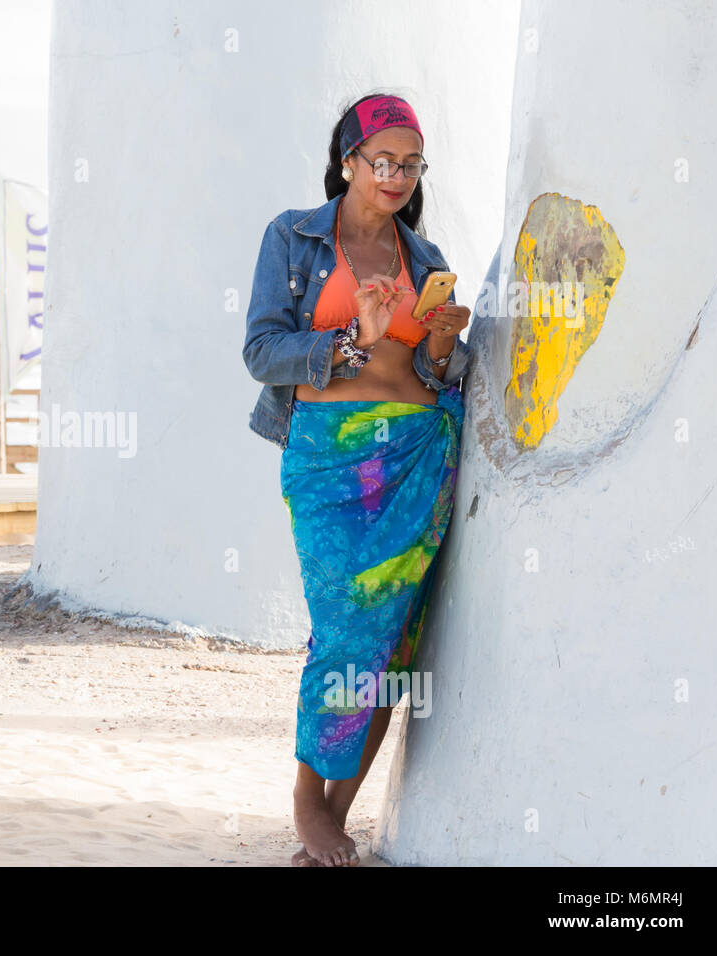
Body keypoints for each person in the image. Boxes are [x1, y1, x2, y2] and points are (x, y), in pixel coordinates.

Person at [242, 92, 473, 868]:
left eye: (411, 163)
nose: (399, 174)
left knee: (390, 642)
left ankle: (337, 818)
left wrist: (439, 347)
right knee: (345, 629)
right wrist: (349, 342)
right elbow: (261, 350)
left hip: (418, 452)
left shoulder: (427, 260)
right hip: (329, 456)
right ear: (349, 162)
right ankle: (310, 799)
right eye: (384, 160)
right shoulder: (294, 238)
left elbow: (436, 375)